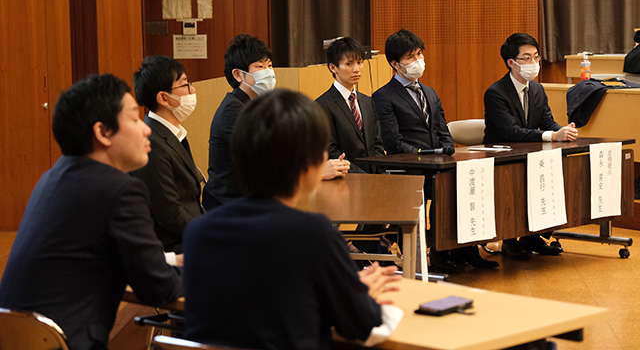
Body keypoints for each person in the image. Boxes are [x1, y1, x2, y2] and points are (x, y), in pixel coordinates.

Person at [183, 89, 402, 350]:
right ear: (309, 165)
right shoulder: (313, 233)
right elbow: (360, 323)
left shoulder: (199, 231)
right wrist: (357, 293)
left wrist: (347, 291)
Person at [0, 74, 183, 350]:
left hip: (18, 339)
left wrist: (167, 261)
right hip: (67, 342)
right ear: (103, 132)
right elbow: (157, 287)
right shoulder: (119, 190)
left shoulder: (53, 177)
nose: (146, 129)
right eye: (134, 119)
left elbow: (91, 256)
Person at [373, 29, 497, 271]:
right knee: (443, 186)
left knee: (468, 180)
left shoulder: (429, 92)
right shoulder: (383, 96)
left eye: (420, 54)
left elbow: (442, 127)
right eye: (410, 57)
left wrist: (447, 146)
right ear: (395, 64)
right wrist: (427, 156)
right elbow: (393, 142)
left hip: (438, 163)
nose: (418, 61)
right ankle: (439, 252)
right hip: (411, 167)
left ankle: (465, 247)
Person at [202, 34, 349, 210]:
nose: (268, 72)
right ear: (238, 74)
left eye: (270, 66)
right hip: (232, 204)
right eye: (260, 67)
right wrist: (317, 171)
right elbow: (266, 161)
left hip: (256, 197)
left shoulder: (258, 104)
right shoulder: (233, 110)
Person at [484, 32, 578, 259]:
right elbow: (511, 132)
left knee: (555, 175)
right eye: (526, 58)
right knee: (514, 181)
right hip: (501, 157)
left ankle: (534, 237)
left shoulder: (537, 89)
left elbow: (547, 122)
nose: (534, 62)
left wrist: (564, 131)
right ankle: (509, 240)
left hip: (531, 154)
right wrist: (552, 136)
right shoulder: (495, 92)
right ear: (511, 62)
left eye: (536, 56)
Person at [131, 56, 204, 254]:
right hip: (175, 246)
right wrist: (208, 233)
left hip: (191, 234)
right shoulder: (151, 143)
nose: (192, 90)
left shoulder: (172, 133)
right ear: (163, 98)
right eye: (185, 84)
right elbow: (169, 214)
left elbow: (190, 200)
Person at [316, 37, 385, 173]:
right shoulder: (322, 105)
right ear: (333, 67)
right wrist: (363, 176)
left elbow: (377, 144)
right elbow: (331, 151)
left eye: (359, 63)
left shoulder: (367, 101)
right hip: (346, 177)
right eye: (349, 64)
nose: (356, 69)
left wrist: (378, 174)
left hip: (375, 177)